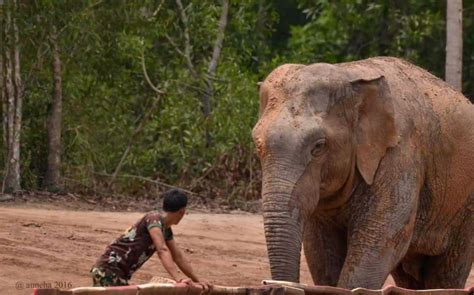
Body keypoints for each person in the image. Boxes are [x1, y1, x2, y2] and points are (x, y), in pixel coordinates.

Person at [90, 189, 209, 291]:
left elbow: (178, 256)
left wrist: (197, 280)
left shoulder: (165, 229)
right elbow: (162, 249)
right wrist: (179, 279)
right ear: (182, 211)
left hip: (118, 272)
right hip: (109, 269)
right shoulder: (153, 219)